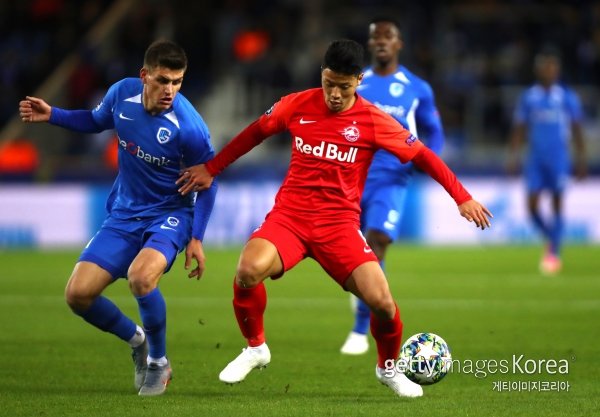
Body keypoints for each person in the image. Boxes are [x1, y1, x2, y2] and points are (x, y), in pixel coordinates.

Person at [177, 39, 491, 398]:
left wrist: (462, 197)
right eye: (329, 84)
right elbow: (254, 133)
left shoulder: (374, 120)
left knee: (383, 303)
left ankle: (388, 369)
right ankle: (255, 348)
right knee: (247, 270)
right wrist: (212, 168)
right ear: (322, 75)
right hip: (290, 218)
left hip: (339, 226)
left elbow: (422, 155)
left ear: (359, 80)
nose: (335, 94)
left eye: (344, 86)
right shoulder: (296, 104)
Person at [18, 40, 217, 396]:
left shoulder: (189, 128)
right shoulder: (121, 94)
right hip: (124, 214)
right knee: (78, 295)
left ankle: (158, 362)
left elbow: (209, 183)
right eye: (162, 80)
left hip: (169, 215)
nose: (170, 90)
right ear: (144, 76)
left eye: (177, 81)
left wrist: (197, 237)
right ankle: (137, 340)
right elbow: (96, 121)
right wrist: (53, 114)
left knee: (141, 278)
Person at [340, 18, 445, 356]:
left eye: (389, 37)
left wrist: (427, 161)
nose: (382, 41)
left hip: (393, 178)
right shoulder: (357, 83)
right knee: (353, 252)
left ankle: (360, 328)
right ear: (370, 44)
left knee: (378, 242)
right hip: (351, 177)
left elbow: (434, 131)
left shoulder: (417, 88)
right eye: (377, 37)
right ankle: (362, 295)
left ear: (399, 44)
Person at [507, 48, 586, 275]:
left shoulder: (566, 97)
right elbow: (519, 128)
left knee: (557, 203)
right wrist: (513, 156)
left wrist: (581, 159)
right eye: (546, 67)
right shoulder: (529, 97)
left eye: (553, 67)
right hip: (535, 158)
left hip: (559, 157)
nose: (550, 71)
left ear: (557, 71)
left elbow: (577, 128)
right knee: (531, 206)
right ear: (539, 70)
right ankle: (552, 239)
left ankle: (554, 252)